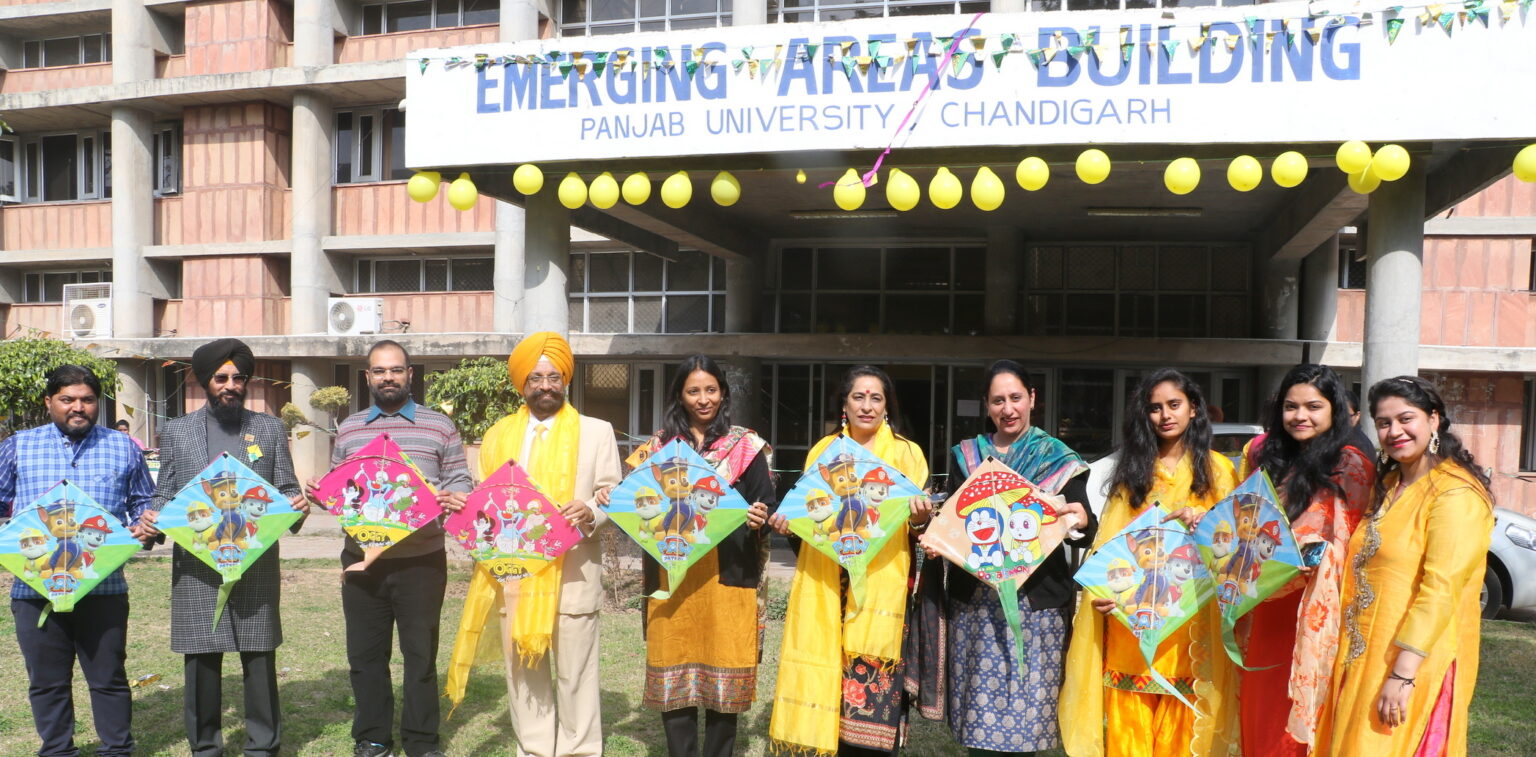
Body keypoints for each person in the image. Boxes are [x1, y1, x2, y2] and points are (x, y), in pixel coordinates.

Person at [444, 331, 621, 757]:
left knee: (576, 672)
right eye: (536, 377)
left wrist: (591, 513)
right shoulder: (497, 435)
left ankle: (579, 750)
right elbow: (485, 499)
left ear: (566, 380)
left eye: (554, 376)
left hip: (575, 570)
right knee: (524, 671)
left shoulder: (597, 432)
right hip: (514, 572)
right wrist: (462, 506)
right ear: (521, 383)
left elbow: (612, 494)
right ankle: (536, 749)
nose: (545, 385)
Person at [910, 360, 1096, 757]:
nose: (1008, 408)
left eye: (1015, 398)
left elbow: (1086, 526)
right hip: (976, 608)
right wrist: (936, 538)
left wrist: (1078, 518)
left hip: (1037, 610)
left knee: (1029, 721)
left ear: (1032, 399)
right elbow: (956, 523)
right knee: (979, 720)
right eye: (998, 401)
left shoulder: (1057, 459)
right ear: (986, 406)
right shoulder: (967, 458)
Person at [136, 338, 308, 757]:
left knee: (258, 660)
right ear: (204, 381)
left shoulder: (267, 428)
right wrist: (150, 521)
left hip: (255, 563)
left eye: (239, 377)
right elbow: (166, 493)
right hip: (196, 567)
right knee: (201, 663)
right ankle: (206, 748)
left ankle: (263, 747)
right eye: (222, 377)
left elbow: (286, 489)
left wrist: (297, 505)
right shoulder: (177, 431)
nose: (231, 385)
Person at [1060, 368, 1240, 757]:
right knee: (1130, 738)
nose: (1165, 416)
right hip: (1135, 627)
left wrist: (1204, 525)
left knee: (1185, 736)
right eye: (1155, 408)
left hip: (1194, 630)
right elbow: (1109, 546)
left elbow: (1235, 550)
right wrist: (1102, 596)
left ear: (1194, 408)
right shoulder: (1132, 474)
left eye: (1174, 405)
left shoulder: (1220, 471)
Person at [305, 339, 472, 757]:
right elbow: (341, 489)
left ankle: (421, 742)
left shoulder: (439, 426)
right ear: (368, 378)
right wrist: (322, 494)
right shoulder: (350, 428)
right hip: (362, 561)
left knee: (420, 657)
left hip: (422, 561)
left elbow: (460, 482)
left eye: (396, 370)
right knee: (365, 656)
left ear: (410, 374)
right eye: (379, 371)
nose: (388, 378)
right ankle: (373, 737)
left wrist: (453, 496)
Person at [604, 354, 776, 757]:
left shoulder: (746, 447)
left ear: (723, 393)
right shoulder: (659, 448)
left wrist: (758, 517)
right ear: (679, 396)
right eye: (693, 391)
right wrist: (608, 496)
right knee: (674, 677)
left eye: (711, 390)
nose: (704, 399)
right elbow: (634, 504)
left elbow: (766, 506)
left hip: (729, 576)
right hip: (671, 577)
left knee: (725, 682)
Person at [1316, 376, 1494, 757]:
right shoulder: (1391, 484)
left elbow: (1440, 589)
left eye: (1405, 418)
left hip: (1411, 663)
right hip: (1362, 655)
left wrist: (1403, 674)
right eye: (1383, 423)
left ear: (1434, 419)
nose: (1394, 431)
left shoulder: (1455, 494)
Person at [768, 364, 933, 757]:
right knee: (830, 686)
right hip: (829, 583)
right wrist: (788, 525)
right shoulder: (822, 453)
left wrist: (920, 516)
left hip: (882, 586)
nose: (867, 405)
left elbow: (919, 529)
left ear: (886, 406)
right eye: (858, 396)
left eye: (876, 397)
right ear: (845, 403)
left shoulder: (908, 455)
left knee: (875, 693)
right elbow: (810, 520)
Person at [0, 365, 155, 757]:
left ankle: (117, 749)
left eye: (87, 400)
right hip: (34, 589)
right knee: (46, 681)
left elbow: (143, 504)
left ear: (97, 403)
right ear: (49, 402)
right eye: (67, 399)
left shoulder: (123, 447)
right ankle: (57, 750)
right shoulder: (18, 445)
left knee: (108, 678)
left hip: (104, 586)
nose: (78, 408)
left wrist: (145, 526)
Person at [1236, 364, 1374, 755]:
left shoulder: (1349, 463)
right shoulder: (1272, 459)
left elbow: (1334, 541)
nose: (1300, 416)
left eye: (1313, 406)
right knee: (1260, 713)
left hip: (1313, 609)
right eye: (1291, 406)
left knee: (1297, 719)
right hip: (1265, 604)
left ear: (1336, 410)